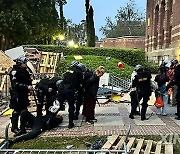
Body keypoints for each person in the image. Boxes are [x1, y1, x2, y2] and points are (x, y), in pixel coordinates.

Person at [47, 62, 87, 129]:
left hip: (61, 89)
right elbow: (80, 83)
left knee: (57, 105)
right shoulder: (79, 73)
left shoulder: (69, 69)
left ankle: (49, 121)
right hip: (70, 91)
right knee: (71, 107)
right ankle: (70, 123)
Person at [9, 55, 33, 133]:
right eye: (24, 62)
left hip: (24, 93)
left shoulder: (25, 71)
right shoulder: (14, 72)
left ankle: (24, 123)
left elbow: (27, 80)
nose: (25, 64)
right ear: (20, 63)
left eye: (25, 62)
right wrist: (26, 87)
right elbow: (15, 84)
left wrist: (30, 88)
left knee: (24, 109)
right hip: (17, 94)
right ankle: (14, 127)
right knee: (17, 111)